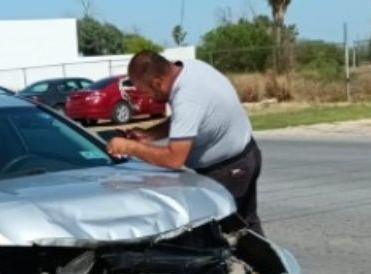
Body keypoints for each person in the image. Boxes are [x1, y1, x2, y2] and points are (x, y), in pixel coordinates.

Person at [106, 51, 264, 235]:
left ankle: (253, 263)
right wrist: (148, 135)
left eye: (147, 91)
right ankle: (269, 263)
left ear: (157, 83)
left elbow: (174, 159)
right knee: (247, 227)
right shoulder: (190, 68)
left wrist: (130, 147)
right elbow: (188, 120)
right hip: (245, 156)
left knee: (225, 236)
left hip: (230, 170)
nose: (149, 97)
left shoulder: (187, 97)